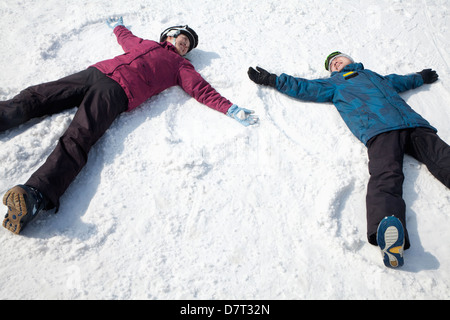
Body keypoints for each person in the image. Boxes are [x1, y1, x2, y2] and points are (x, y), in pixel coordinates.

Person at [1, 17, 258, 235]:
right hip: (96, 72)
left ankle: (35, 195)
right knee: (37, 96)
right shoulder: (143, 43)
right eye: (183, 38)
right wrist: (118, 27)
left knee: (79, 136)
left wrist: (229, 107)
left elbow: (201, 89)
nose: (184, 44)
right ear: (170, 35)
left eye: (188, 45)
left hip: (117, 92)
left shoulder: (181, 66)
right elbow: (126, 37)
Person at [247, 51, 449, 268]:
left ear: (351, 59)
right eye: (332, 64)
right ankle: (388, 231)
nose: (335, 62)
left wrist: (420, 77)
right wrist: (274, 80)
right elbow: (305, 88)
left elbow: (401, 81)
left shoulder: (375, 76)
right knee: (386, 175)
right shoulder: (334, 83)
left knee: (444, 157)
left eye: (338, 58)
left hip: (414, 124)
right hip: (379, 130)